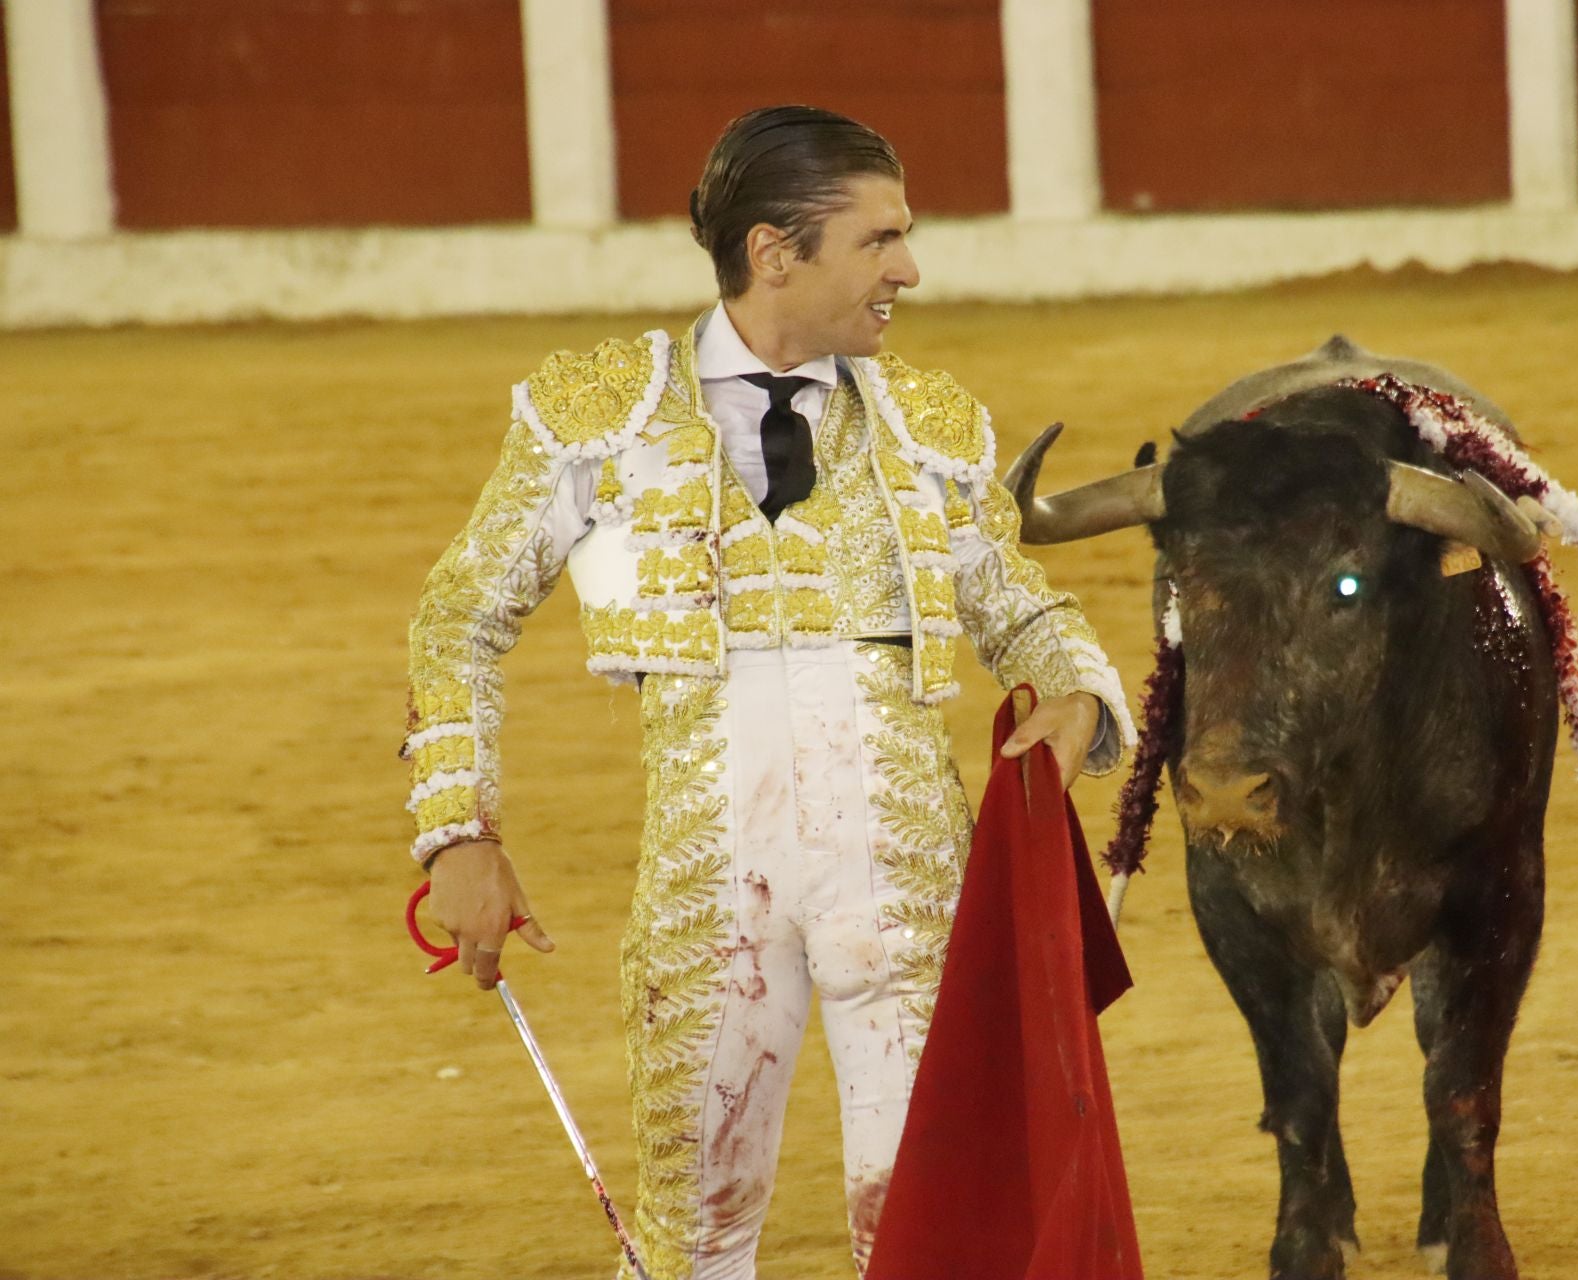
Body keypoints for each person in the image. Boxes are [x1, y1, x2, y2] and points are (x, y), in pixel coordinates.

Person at [401, 105, 1135, 1280]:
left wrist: (1078, 696)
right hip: (709, 894)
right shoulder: (604, 418)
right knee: (694, 1238)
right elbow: (461, 615)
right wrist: (457, 830)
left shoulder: (929, 427)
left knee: (932, 1238)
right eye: (879, 239)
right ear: (774, 253)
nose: (908, 269)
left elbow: (1025, 611)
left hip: (909, 895)